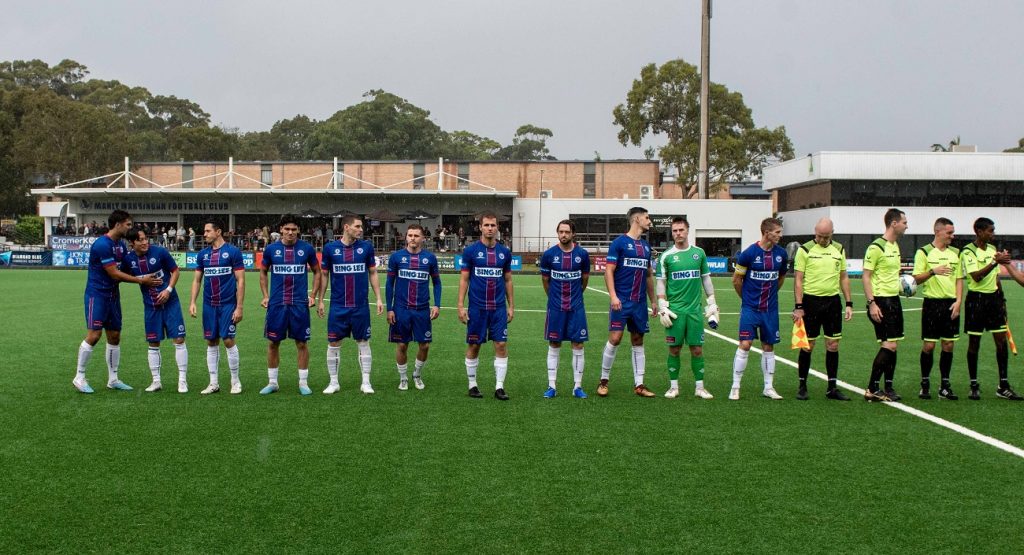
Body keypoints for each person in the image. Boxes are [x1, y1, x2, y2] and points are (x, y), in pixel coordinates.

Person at [73, 210, 163, 393]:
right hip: (97, 295)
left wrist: (145, 268)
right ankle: (79, 377)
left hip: (113, 296)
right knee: (94, 335)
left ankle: (113, 379)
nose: (130, 228)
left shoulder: (120, 246)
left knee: (114, 336)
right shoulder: (102, 245)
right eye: (128, 224)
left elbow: (127, 269)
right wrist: (141, 280)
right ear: (118, 224)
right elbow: (114, 273)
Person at [319, 215, 384, 394]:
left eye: (361, 226)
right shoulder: (330, 248)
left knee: (363, 342)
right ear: (346, 227)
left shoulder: (366, 247)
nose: (361, 229)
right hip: (338, 306)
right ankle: (333, 382)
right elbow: (324, 275)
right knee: (333, 343)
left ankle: (366, 382)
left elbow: (373, 272)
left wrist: (378, 298)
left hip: (360, 306)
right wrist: (320, 300)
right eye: (357, 226)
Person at [655, 216, 719, 400]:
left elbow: (706, 278)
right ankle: (673, 387)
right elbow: (661, 283)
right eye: (674, 231)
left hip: (695, 312)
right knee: (674, 349)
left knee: (697, 349)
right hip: (675, 312)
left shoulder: (699, 253)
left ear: (687, 231)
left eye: (681, 230)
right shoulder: (666, 256)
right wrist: (662, 306)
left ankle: (700, 387)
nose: (678, 233)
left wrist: (712, 302)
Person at [598, 206, 658, 398]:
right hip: (621, 301)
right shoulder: (619, 243)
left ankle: (639, 385)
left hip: (639, 303)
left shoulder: (647, 247)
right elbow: (608, 271)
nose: (649, 221)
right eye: (647, 218)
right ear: (637, 219)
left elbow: (648, 275)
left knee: (638, 340)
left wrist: (653, 301)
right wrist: (613, 296)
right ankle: (603, 381)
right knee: (615, 338)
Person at [791, 218, 853, 401]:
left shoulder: (839, 249)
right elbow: (798, 280)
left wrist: (849, 303)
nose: (822, 240)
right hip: (811, 302)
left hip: (832, 302)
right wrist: (799, 307)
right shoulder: (805, 250)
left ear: (832, 233)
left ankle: (832, 387)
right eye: (819, 236)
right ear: (815, 232)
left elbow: (843, 277)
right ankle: (802, 385)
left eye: (826, 237)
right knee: (808, 345)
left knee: (833, 345)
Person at [259, 214, 322, 395]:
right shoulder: (271, 249)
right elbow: (263, 272)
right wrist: (265, 296)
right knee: (273, 342)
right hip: (277, 304)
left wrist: (312, 295)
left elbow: (317, 272)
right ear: (281, 230)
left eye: (294, 229)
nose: (290, 232)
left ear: (298, 231)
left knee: (301, 343)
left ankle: (303, 383)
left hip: (299, 304)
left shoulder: (306, 249)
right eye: (287, 229)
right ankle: (272, 383)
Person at [122, 228, 189, 393]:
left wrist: (168, 290)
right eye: (140, 240)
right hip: (151, 306)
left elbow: (175, 271)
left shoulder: (159, 252)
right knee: (153, 343)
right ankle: (156, 381)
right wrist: (140, 280)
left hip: (170, 303)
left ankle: (182, 380)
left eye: (145, 238)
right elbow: (122, 276)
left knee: (179, 339)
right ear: (132, 243)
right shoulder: (129, 260)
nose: (145, 242)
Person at [961, 217, 1020, 400]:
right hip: (976, 300)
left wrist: (1002, 300)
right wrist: (995, 262)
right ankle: (974, 385)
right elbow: (976, 277)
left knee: (1001, 343)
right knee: (974, 343)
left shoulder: (993, 250)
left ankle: (1003, 385)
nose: (992, 234)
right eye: (990, 230)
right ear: (979, 231)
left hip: (994, 300)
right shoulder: (968, 251)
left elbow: (995, 278)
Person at [457, 211, 514, 400]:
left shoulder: (504, 252)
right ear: (480, 227)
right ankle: (472, 384)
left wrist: (511, 305)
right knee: (474, 345)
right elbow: (464, 279)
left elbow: (507, 280)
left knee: (501, 344)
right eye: (487, 225)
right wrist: (460, 305)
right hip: (477, 307)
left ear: (497, 228)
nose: (490, 228)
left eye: (493, 225)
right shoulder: (471, 251)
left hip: (498, 307)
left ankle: (499, 387)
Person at [730, 217, 788, 400]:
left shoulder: (781, 254)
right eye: (777, 232)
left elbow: (780, 278)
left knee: (768, 346)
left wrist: (770, 296)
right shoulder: (748, 253)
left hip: (770, 309)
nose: (780, 235)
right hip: (750, 308)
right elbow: (736, 281)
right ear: (766, 233)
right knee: (745, 344)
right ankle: (735, 386)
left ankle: (768, 387)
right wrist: (747, 299)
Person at [189, 220, 246, 394]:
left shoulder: (232, 252)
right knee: (211, 341)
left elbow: (241, 280)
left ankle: (235, 381)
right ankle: (213, 383)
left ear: (218, 231)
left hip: (228, 304)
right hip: (209, 305)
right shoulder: (203, 255)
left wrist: (240, 307)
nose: (204, 234)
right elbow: (197, 280)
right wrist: (192, 302)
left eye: (207, 231)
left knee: (228, 340)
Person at [911, 218, 963, 400]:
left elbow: (959, 279)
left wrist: (958, 302)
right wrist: (933, 271)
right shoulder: (924, 252)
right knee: (929, 345)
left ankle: (945, 385)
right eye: (949, 233)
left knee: (948, 345)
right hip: (932, 304)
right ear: (938, 232)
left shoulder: (956, 253)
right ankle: (925, 383)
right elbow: (916, 279)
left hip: (951, 303)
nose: (952, 236)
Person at [539, 219, 591, 399]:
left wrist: (575, 296)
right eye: (561, 232)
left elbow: (584, 280)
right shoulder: (549, 255)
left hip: (576, 307)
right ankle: (551, 386)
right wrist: (554, 297)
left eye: (567, 232)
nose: (563, 235)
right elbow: (546, 281)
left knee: (578, 344)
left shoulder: (582, 255)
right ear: (557, 233)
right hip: (555, 307)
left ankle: (577, 386)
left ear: (573, 234)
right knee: (554, 343)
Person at [385, 225, 442, 391]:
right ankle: (403, 378)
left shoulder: (430, 258)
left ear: (423, 238)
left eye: (416, 235)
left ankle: (417, 374)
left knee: (424, 345)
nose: (413, 238)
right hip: (401, 309)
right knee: (402, 345)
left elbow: (437, 283)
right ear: (406, 237)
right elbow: (389, 284)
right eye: (410, 235)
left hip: (422, 309)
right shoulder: (396, 257)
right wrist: (390, 308)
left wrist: (437, 304)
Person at [863, 208, 909, 402]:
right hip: (881, 302)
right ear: (894, 223)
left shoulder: (895, 246)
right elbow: (866, 277)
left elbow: (893, 275)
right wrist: (872, 304)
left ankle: (888, 387)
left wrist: (903, 287)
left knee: (894, 345)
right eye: (904, 222)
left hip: (894, 300)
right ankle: (872, 388)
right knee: (888, 345)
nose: (907, 225)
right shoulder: (876, 247)